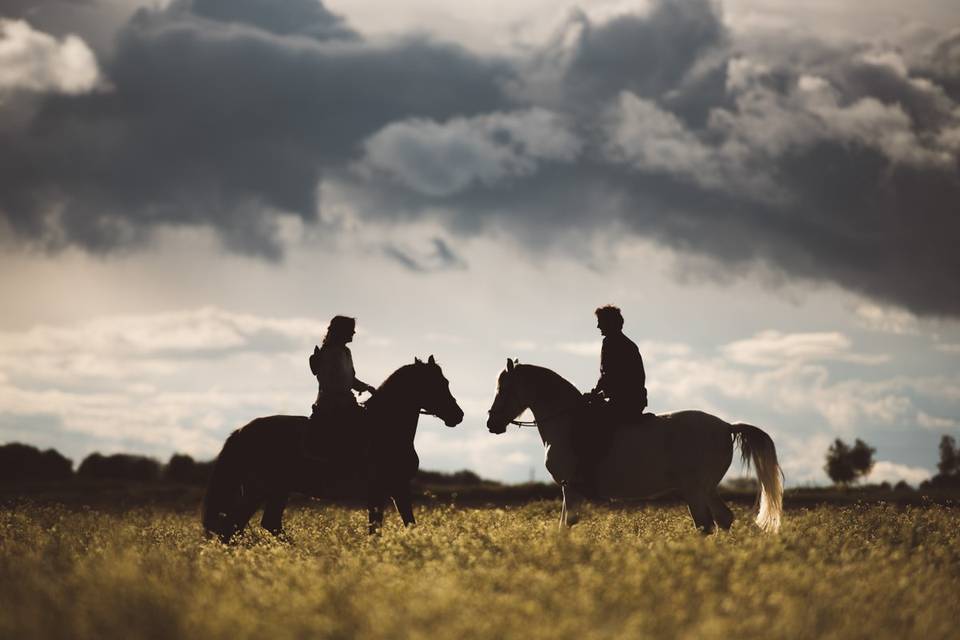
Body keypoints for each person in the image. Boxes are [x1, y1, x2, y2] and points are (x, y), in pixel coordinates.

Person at [305, 315, 376, 457]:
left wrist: (367, 387)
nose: (354, 333)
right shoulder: (328, 352)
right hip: (331, 405)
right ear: (342, 331)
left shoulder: (346, 351)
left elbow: (350, 379)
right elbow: (332, 382)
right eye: (351, 329)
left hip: (347, 402)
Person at [590, 304, 648, 423]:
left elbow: (614, 376)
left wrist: (599, 394)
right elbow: (607, 376)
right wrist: (596, 392)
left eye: (600, 321)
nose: (598, 326)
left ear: (609, 323)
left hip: (626, 402)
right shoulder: (618, 343)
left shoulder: (615, 344)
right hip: (626, 400)